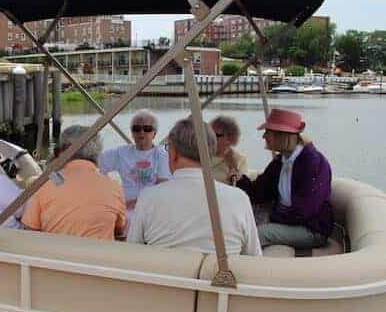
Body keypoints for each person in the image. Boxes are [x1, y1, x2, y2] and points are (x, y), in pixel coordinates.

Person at [128, 117, 261, 256]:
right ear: (211, 153)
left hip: (165, 269)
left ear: (173, 153)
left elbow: (132, 251)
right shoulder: (239, 199)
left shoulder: (148, 197)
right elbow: (254, 256)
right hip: (219, 270)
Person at [237, 109, 332, 250]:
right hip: (286, 218)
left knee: (260, 233)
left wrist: (270, 218)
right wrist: (238, 178)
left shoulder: (312, 162)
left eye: (267, 132)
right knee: (239, 220)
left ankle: (237, 262)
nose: (264, 136)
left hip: (311, 228)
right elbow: (259, 192)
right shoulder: (281, 161)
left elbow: (304, 211)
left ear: (282, 135)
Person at [22, 125, 126, 240]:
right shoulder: (113, 186)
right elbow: (119, 229)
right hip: (98, 251)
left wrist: (51, 168)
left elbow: (29, 229)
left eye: (57, 151)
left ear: (65, 150)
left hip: (55, 250)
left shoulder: (46, 184)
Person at [98, 109, 169, 219]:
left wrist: (133, 204)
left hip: (152, 209)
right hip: (125, 211)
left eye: (147, 129)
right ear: (132, 133)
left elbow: (162, 190)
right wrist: (109, 192)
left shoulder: (162, 155)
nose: (141, 132)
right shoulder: (121, 153)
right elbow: (93, 163)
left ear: (154, 133)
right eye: (136, 129)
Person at [210, 115, 248, 185]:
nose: (210, 137)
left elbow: (240, 186)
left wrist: (233, 169)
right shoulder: (198, 155)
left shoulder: (239, 160)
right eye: (209, 133)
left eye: (216, 135)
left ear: (230, 138)